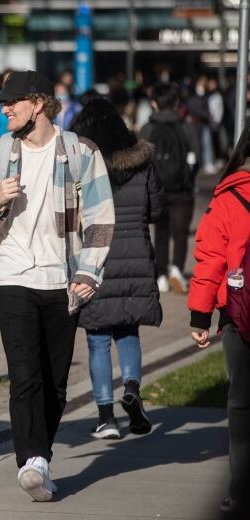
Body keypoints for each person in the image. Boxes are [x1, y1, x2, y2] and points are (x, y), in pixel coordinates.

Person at [0, 70, 114, 501]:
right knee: (25, 373)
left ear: (39, 103)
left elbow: (100, 219)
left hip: (62, 279)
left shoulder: (81, 152)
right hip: (11, 276)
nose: (4, 109)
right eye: (2, 103)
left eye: (12, 102)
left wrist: (88, 273)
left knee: (55, 379)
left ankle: (39, 459)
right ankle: (31, 460)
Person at [70, 99, 168, 439]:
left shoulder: (80, 165)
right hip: (136, 255)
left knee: (97, 338)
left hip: (94, 258)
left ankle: (105, 418)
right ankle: (132, 388)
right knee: (128, 331)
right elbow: (157, 209)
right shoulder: (143, 162)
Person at [189, 124, 250, 518]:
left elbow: (210, 258)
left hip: (238, 314)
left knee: (242, 405)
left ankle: (241, 490)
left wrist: (199, 315)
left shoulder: (229, 196)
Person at [140, 83, 199, 295]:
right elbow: (195, 156)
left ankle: (161, 276)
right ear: (176, 103)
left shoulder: (147, 129)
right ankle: (177, 270)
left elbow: (141, 159)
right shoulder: (187, 126)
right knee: (181, 233)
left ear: (154, 103)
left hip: (156, 189)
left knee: (161, 233)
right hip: (182, 188)